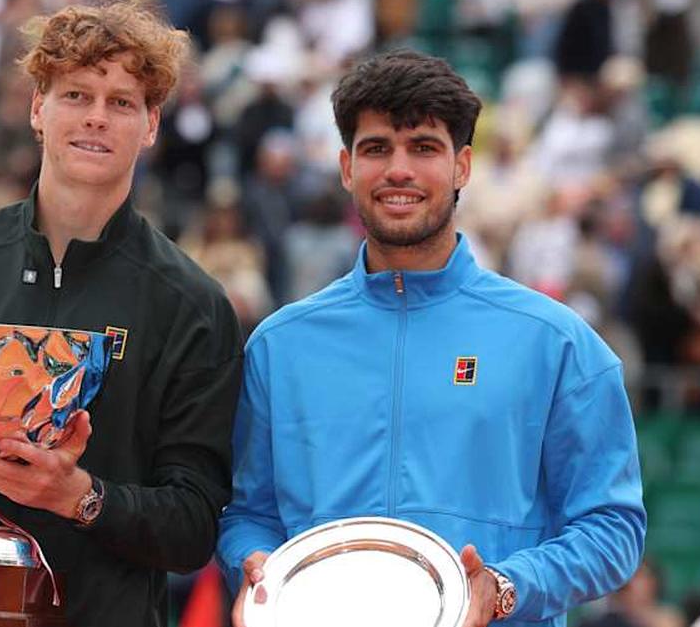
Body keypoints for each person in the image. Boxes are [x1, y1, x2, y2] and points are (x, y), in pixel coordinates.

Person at [0, 0, 244, 627]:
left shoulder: (192, 304)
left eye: (121, 102)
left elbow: (194, 525)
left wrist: (80, 498)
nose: (96, 118)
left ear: (151, 124)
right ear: (37, 109)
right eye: (76, 94)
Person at [216, 49, 646, 627]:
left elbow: (612, 528)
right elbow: (248, 512)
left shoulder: (557, 342)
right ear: (346, 168)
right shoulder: (279, 345)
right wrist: (259, 567)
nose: (399, 170)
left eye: (423, 147)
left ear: (463, 166)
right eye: (376, 149)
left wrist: (505, 587)